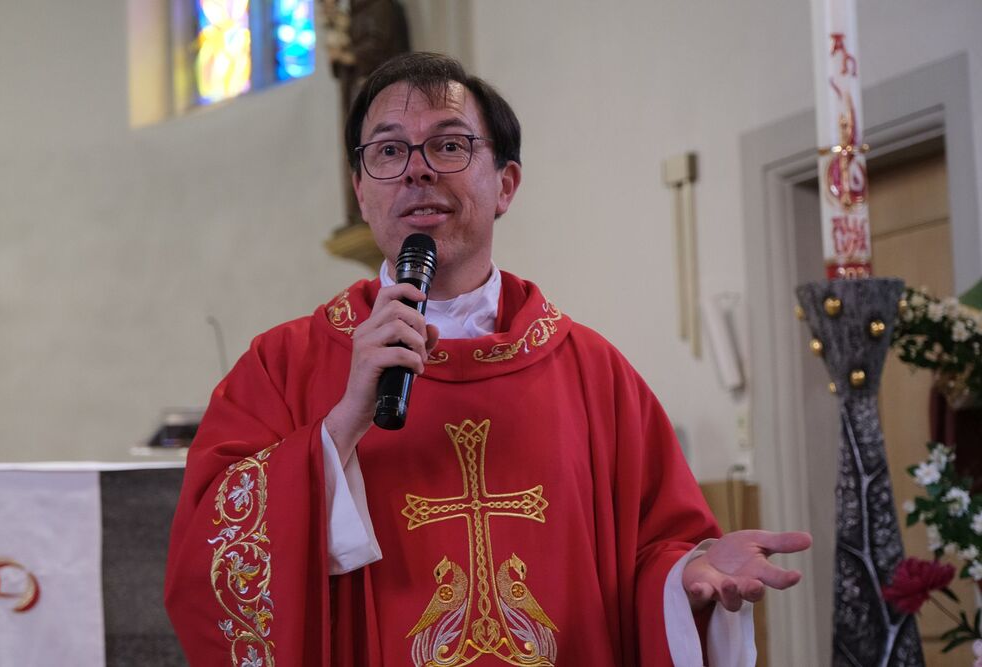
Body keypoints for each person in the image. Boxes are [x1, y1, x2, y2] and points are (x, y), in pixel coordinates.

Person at [164, 52, 811, 667]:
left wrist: (684, 578)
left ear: (506, 183)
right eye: (388, 151)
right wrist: (337, 431)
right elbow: (206, 559)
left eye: (448, 145)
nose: (417, 171)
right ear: (361, 192)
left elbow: (653, 549)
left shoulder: (596, 375)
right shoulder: (282, 367)